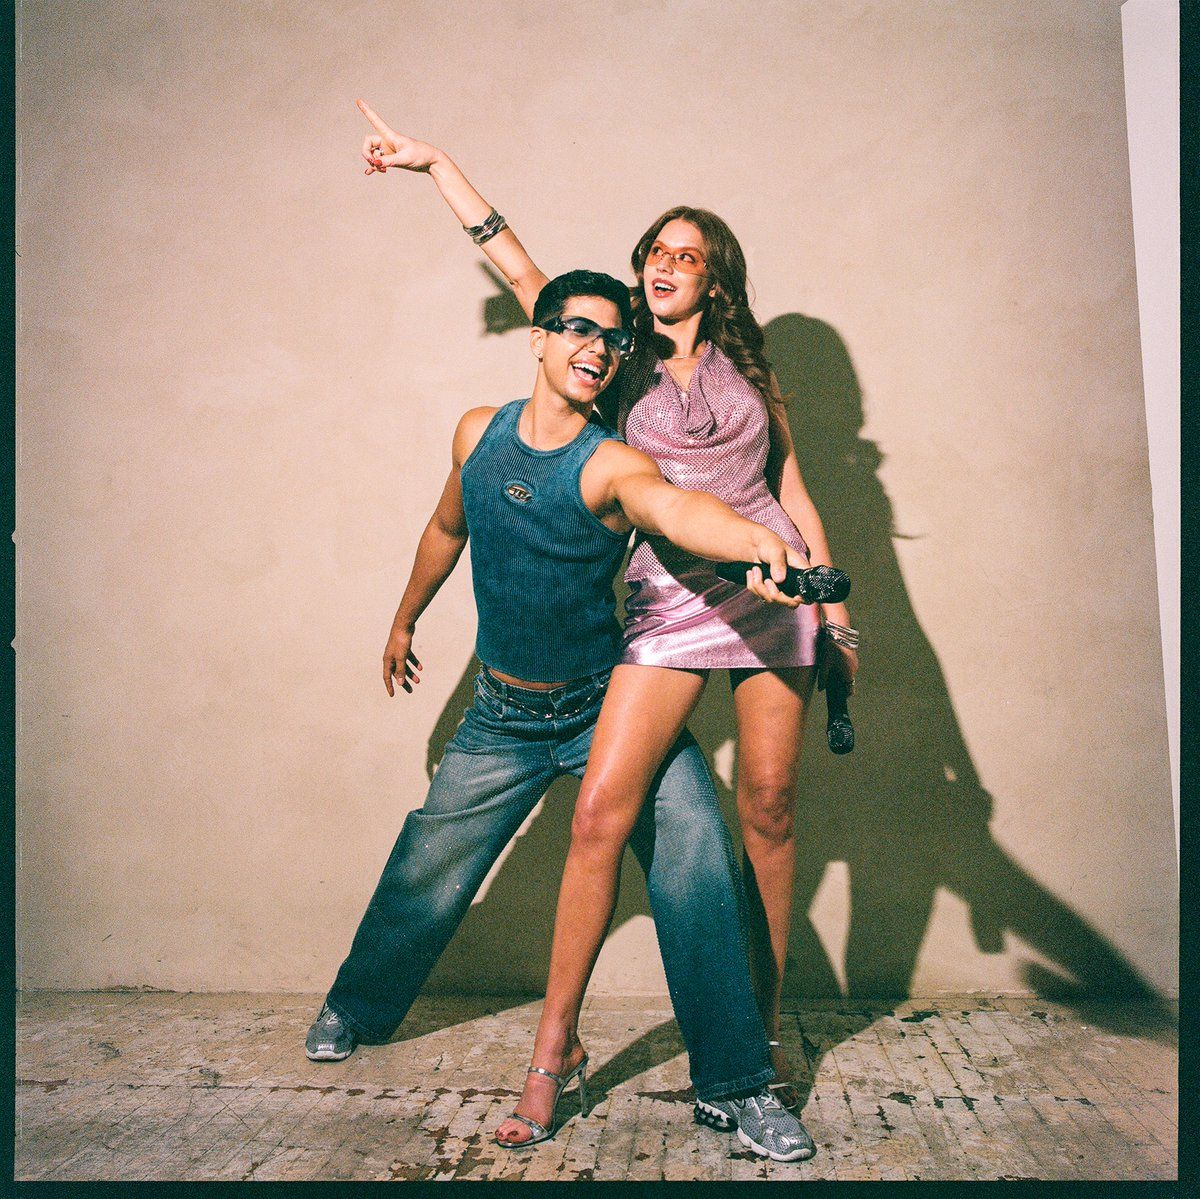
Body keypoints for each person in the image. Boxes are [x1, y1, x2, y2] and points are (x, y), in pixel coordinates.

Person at [355, 102, 861, 1147]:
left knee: (769, 808)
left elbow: (789, 485)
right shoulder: (614, 353)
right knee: (601, 817)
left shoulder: (752, 368)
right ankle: (555, 1049)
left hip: (776, 588)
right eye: (656, 251)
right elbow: (515, 267)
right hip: (674, 597)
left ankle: (757, 1044)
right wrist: (437, 163)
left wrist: (834, 602)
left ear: (716, 279)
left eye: (688, 254)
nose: (666, 263)